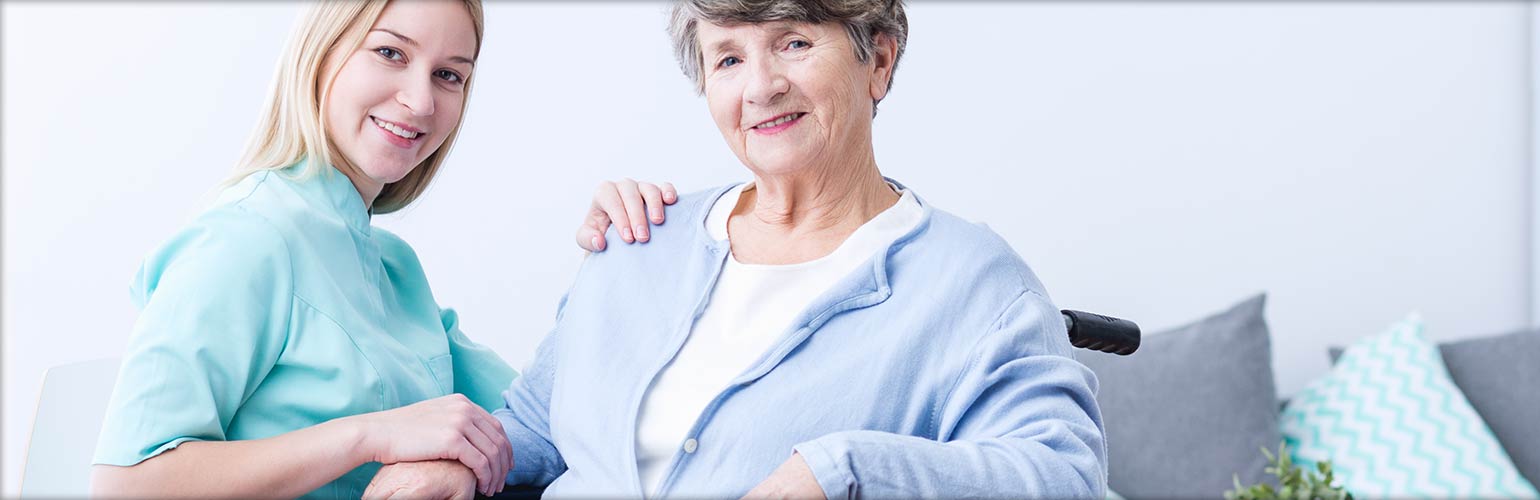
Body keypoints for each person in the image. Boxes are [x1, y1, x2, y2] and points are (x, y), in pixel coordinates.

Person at [384, 0, 1107, 497]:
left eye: (793, 41)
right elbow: (540, 424)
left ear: (878, 61)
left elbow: (1064, 474)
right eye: (727, 59)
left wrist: (845, 470)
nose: (760, 86)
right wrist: (462, 466)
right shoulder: (641, 237)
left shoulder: (975, 284)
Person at [90, 1, 676, 498]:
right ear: (322, 53)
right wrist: (372, 435)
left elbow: (543, 418)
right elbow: (126, 480)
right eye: (391, 53)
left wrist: (624, 252)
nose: (421, 101)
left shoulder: (392, 266)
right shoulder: (246, 236)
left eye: (450, 75)